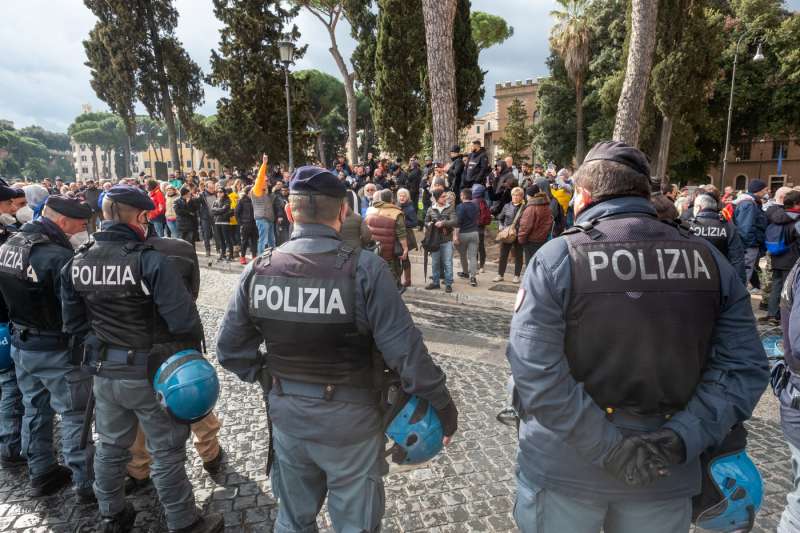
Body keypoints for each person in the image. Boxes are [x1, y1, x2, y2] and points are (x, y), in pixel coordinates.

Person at [508, 141, 768, 533]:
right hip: (664, 467)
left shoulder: (557, 257)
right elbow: (742, 368)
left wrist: (610, 448)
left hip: (568, 467)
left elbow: (534, 372)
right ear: (645, 194)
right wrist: (681, 438)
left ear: (583, 195)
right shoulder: (708, 260)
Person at [215, 166, 457, 532]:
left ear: (288, 212)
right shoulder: (367, 269)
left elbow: (230, 350)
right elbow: (406, 352)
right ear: (343, 212)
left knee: (293, 521)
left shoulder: (259, 268)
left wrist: (268, 376)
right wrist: (441, 404)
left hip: (288, 419)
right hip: (353, 424)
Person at [60, 185, 223, 533]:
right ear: (139, 216)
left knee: (111, 446)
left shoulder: (77, 260)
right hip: (148, 372)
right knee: (165, 451)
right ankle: (182, 520)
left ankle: (111, 513)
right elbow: (183, 321)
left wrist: (104, 345)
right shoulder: (148, 259)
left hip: (105, 372)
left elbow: (73, 325)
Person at [0, 196, 94, 502]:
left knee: (34, 407)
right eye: (80, 225)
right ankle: (86, 484)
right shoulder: (57, 256)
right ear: (62, 222)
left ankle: (41, 472)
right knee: (74, 415)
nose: (82, 230)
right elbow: (74, 310)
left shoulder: (8, 246)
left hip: (22, 342)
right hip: (55, 348)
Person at [0, 182, 28, 469]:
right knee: (10, 385)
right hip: (5, 321)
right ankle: (10, 444)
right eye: (8, 203)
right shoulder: (7, 238)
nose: (12, 208)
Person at [687, 193, 746, 284]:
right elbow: (737, 258)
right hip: (720, 276)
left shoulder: (688, 225)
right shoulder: (728, 226)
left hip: (692, 275)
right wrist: (740, 283)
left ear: (698, 207)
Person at [764, 190, 800, 324]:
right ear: (796, 204)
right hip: (792, 260)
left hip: (776, 257)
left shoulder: (776, 216)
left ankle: (772, 314)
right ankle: (789, 318)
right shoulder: (796, 220)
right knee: (790, 291)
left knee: (776, 286)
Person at [365, 189, 408, 286]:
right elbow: (401, 234)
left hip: (373, 250)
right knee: (392, 277)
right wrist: (405, 248)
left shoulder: (370, 210)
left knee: (375, 276)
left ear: (381, 198)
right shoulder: (396, 213)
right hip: (390, 252)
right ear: (392, 199)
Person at [734, 179, 769, 284]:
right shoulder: (749, 204)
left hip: (749, 246)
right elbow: (746, 228)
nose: (767, 192)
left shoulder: (751, 203)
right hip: (749, 247)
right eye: (765, 190)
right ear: (759, 191)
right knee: (743, 277)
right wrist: (751, 246)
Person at [424, 189, 457, 293]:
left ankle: (448, 284)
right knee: (435, 263)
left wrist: (443, 223)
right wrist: (429, 224)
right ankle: (436, 283)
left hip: (447, 240)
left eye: (445, 196)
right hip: (434, 240)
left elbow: (455, 221)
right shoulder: (430, 209)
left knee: (447, 263)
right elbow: (425, 221)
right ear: (437, 198)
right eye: (442, 196)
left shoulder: (450, 208)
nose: (445, 198)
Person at [494, 187, 526, 283]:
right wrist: (501, 227)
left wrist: (520, 230)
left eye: (518, 195)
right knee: (503, 255)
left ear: (522, 196)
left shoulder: (525, 207)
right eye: (514, 195)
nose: (515, 197)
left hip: (519, 234)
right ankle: (500, 275)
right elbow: (500, 218)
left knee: (518, 255)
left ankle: (516, 276)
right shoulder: (507, 206)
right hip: (507, 234)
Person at [517, 184, 553, 266]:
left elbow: (525, 226)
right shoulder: (546, 206)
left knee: (530, 265)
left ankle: (530, 279)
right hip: (543, 239)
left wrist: (521, 240)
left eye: (527, 195)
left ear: (530, 196)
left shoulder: (531, 208)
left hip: (531, 241)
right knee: (539, 265)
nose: (526, 197)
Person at [454, 188, 480, 287]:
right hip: (474, 233)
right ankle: (473, 278)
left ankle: (465, 272)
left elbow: (458, 223)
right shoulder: (476, 206)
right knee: (473, 256)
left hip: (463, 233)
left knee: (462, 254)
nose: (460, 196)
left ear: (463, 196)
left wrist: (455, 236)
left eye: (461, 195)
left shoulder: (460, 207)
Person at [252, 154, 276, 254]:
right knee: (263, 240)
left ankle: (274, 258)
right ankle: (260, 259)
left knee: (272, 241)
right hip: (262, 219)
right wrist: (264, 163)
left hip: (269, 219)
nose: (266, 181)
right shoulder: (257, 190)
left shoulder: (265, 192)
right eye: (265, 180)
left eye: (267, 180)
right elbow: (260, 176)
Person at [397, 188, 418, 287]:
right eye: (400, 196)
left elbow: (415, 222)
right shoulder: (396, 205)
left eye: (403, 196)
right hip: (397, 235)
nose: (401, 197)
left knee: (405, 257)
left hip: (406, 235)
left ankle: (408, 280)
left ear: (407, 197)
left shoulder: (410, 208)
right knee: (397, 256)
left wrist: (402, 222)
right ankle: (397, 279)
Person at [235, 185, 258, 265]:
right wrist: (241, 223)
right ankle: (242, 257)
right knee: (244, 242)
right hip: (245, 224)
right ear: (248, 192)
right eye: (252, 190)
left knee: (254, 241)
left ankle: (254, 257)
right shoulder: (242, 200)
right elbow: (236, 212)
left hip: (254, 223)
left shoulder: (255, 199)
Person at [472, 184, 491, 274]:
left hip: (473, 228)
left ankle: (475, 265)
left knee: (473, 247)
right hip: (481, 228)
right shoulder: (484, 201)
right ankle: (482, 266)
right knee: (481, 247)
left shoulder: (473, 202)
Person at [211, 189, 234, 262]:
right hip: (217, 222)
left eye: (220, 192)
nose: (219, 193)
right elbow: (212, 211)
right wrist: (219, 211)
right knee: (220, 240)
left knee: (227, 239)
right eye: (217, 192)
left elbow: (224, 209)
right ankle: (222, 254)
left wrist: (217, 211)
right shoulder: (216, 201)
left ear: (224, 193)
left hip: (225, 222)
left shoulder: (227, 200)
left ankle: (231, 255)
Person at [198, 181, 217, 257]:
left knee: (217, 233)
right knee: (206, 234)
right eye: (210, 188)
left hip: (215, 216)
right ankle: (207, 250)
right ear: (206, 188)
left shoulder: (216, 193)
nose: (212, 189)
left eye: (213, 187)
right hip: (205, 217)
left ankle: (219, 249)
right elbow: (197, 204)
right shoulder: (202, 195)